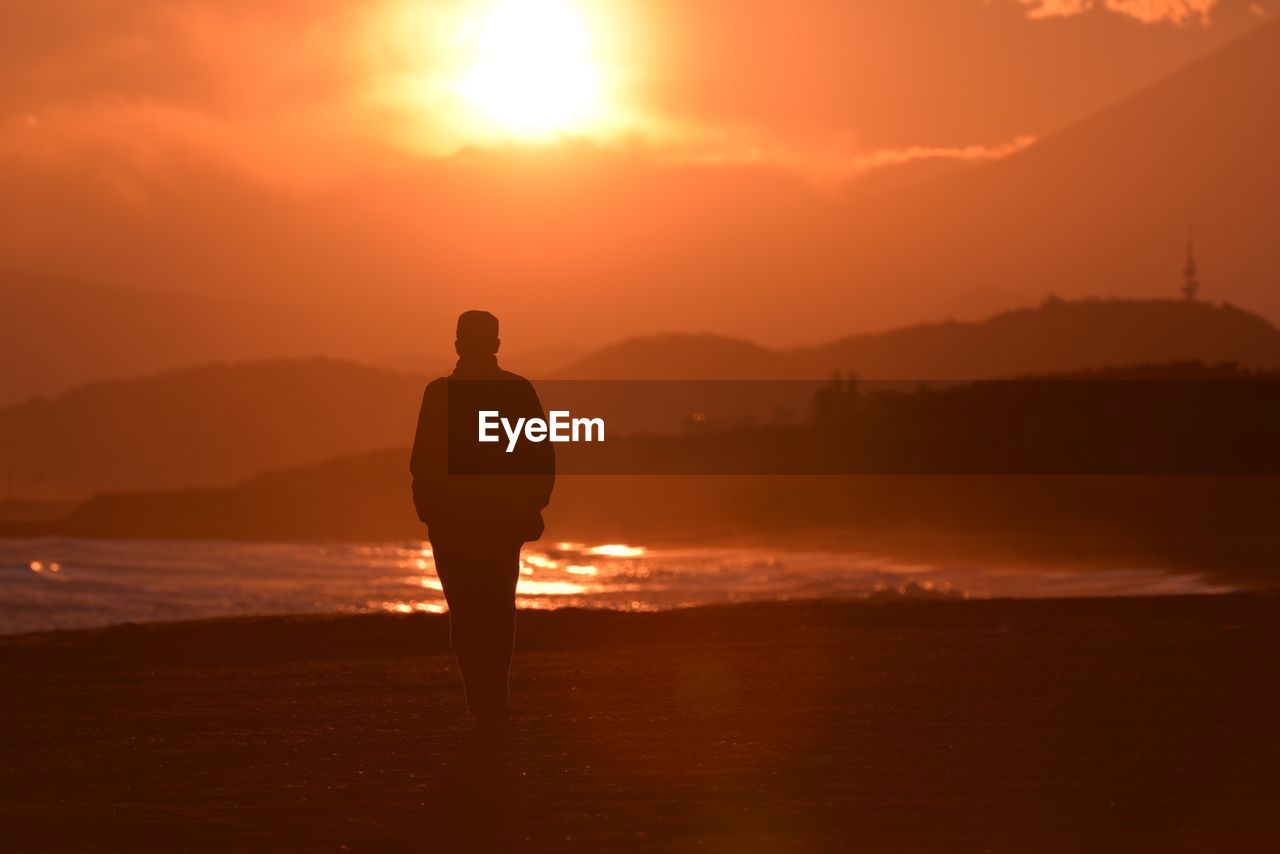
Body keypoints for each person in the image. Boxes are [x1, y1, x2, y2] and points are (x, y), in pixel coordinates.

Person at [410, 310, 555, 730]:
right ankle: (493, 705)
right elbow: (540, 458)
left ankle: (482, 705)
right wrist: (532, 510)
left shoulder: (439, 393)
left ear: (458, 345)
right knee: (495, 612)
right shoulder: (515, 390)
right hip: (496, 524)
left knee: (468, 614)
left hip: (457, 525)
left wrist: (431, 513)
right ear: (496, 345)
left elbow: (422, 463)